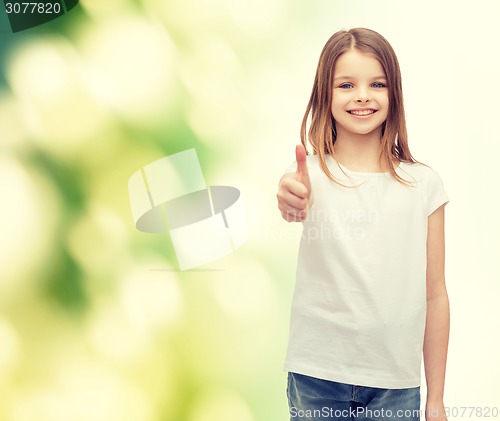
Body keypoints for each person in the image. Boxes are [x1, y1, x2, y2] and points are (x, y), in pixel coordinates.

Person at [276, 28, 450, 421]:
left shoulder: (424, 185)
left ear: (394, 94)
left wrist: (435, 399)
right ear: (326, 93)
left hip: (395, 383)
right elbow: (291, 204)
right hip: (316, 375)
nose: (362, 95)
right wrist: (291, 200)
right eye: (346, 84)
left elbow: (435, 295)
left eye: (377, 83)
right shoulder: (308, 176)